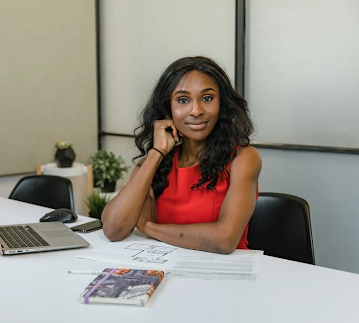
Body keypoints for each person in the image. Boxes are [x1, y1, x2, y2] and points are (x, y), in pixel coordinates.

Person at [101, 56, 261, 254]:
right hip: (168, 271)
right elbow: (113, 230)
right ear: (168, 108)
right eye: (183, 100)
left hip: (224, 274)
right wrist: (156, 153)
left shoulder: (243, 159)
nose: (196, 111)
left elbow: (224, 240)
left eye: (208, 98)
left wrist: (149, 227)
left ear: (222, 105)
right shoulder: (154, 164)